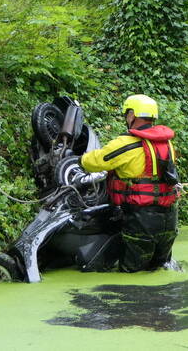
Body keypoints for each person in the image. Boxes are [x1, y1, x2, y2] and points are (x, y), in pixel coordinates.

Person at [79, 94, 180, 272]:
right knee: (158, 269)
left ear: (132, 115)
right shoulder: (166, 143)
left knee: (131, 276)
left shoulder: (127, 144)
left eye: (127, 113)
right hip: (169, 219)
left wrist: (79, 159)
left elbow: (95, 162)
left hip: (141, 220)